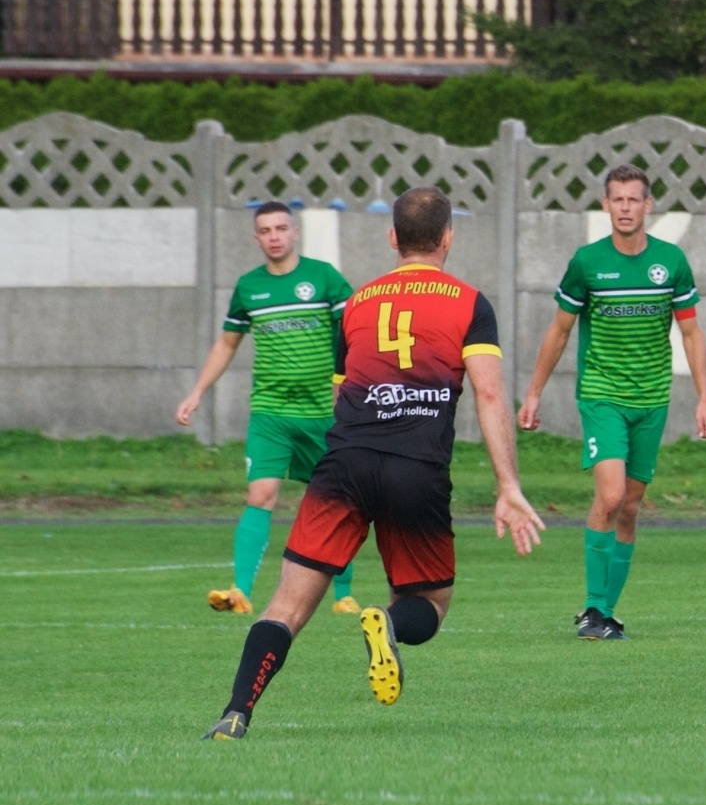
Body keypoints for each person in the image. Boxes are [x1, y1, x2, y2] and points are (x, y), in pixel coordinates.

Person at [203, 186, 544, 739]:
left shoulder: (359, 302)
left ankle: (235, 712)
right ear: (448, 238)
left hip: (346, 465)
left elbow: (342, 397)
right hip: (417, 467)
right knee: (430, 601)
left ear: (392, 238)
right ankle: (385, 621)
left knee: (286, 605)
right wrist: (509, 485)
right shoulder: (469, 302)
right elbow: (487, 393)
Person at [518, 164, 706, 641]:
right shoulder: (588, 262)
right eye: (617, 199)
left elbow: (690, 331)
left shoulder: (671, 262)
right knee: (608, 497)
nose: (625, 208)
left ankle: (605, 611)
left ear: (648, 206)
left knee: (629, 506)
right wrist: (534, 392)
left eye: (634, 199)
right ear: (605, 205)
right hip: (602, 394)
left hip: (653, 398)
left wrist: (705, 398)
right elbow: (560, 330)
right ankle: (591, 608)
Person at [176, 201, 360, 616]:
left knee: (337, 500)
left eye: (281, 228)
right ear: (256, 237)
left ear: (294, 233)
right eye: (265, 230)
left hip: (323, 414)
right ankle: (239, 591)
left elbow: (353, 332)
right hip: (270, 411)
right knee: (260, 493)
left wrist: (349, 387)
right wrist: (197, 392)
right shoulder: (249, 288)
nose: (274, 236)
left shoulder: (324, 278)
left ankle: (343, 594)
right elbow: (227, 343)